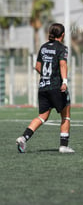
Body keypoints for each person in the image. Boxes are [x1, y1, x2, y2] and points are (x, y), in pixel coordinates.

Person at [16, 23, 74, 153]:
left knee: (42, 116)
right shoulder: (62, 48)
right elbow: (63, 64)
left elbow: (37, 66)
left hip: (43, 87)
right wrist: (64, 81)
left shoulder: (43, 47)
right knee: (66, 116)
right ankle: (63, 146)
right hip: (56, 87)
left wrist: (46, 77)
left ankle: (23, 138)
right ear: (63, 35)